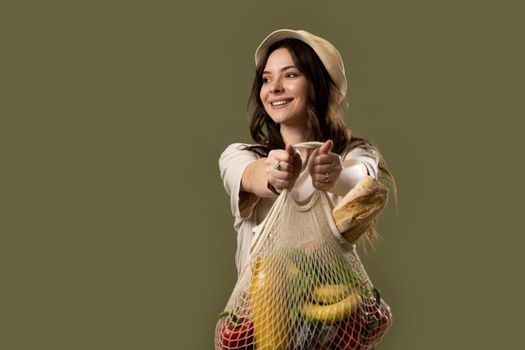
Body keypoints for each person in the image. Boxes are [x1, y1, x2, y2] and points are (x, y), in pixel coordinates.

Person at [219, 29, 396, 274]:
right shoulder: (239, 154)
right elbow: (250, 176)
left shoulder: (355, 153)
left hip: (333, 309)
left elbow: (361, 177)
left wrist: (336, 176)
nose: (274, 88)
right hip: (260, 311)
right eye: (267, 79)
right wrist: (272, 175)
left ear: (318, 84)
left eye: (290, 75)